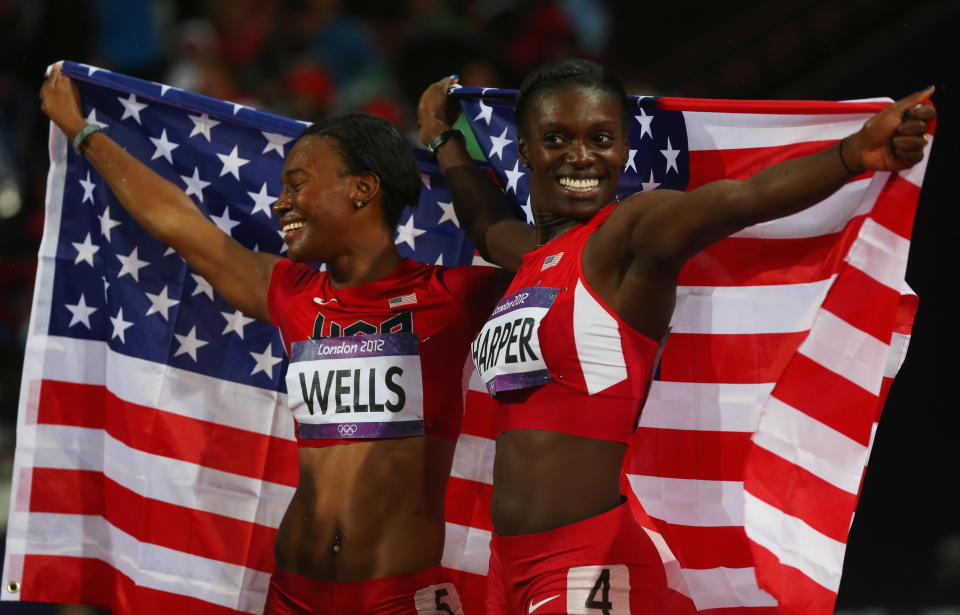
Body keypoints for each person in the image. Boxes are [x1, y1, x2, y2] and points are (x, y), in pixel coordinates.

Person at [417, 59, 935, 614]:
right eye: (555, 138)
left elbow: (737, 200)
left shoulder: (629, 233)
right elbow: (486, 222)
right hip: (509, 567)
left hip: (590, 564)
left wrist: (851, 155)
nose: (581, 155)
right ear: (523, 150)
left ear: (624, 150)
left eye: (601, 138)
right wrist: (445, 138)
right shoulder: (531, 260)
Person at [40, 63, 509, 615]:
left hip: (397, 600)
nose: (279, 203)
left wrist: (443, 138)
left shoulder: (452, 297)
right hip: (293, 593)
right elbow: (178, 222)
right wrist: (82, 130)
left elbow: (539, 257)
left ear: (362, 189)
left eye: (297, 184)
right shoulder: (292, 292)